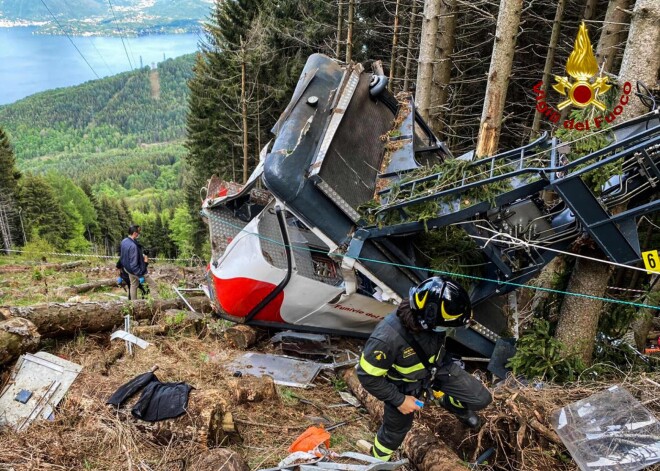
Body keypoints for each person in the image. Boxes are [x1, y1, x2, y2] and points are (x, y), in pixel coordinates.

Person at [356, 276, 492, 462]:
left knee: (481, 398)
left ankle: (449, 402)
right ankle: (377, 461)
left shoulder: (431, 317)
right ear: (428, 319)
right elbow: (367, 376)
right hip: (403, 385)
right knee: (394, 433)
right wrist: (400, 400)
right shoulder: (386, 339)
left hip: (437, 369)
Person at [119, 225, 149, 301]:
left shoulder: (124, 241)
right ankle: (156, 304)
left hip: (127, 270)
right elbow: (134, 264)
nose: (139, 234)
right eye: (138, 232)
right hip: (135, 271)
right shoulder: (133, 246)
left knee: (133, 285)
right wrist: (140, 275)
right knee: (153, 286)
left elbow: (123, 257)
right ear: (135, 233)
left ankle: (134, 304)